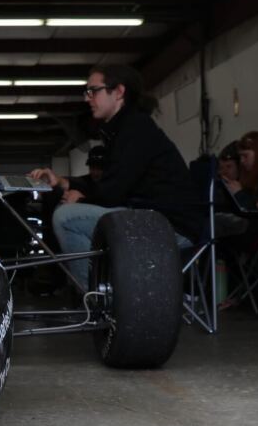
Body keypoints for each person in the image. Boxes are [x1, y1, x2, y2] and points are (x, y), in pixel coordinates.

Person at [28, 65, 202, 291]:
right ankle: (109, 293)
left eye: (94, 91)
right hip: (153, 219)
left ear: (118, 92)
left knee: (67, 217)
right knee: (70, 212)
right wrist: (64, 183)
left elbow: (113, 191)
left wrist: (80, 200)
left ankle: (97, 298)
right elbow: (110, 182)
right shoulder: (124, 128)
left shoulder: (135, 128)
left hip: (168, 226)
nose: (88, 98)